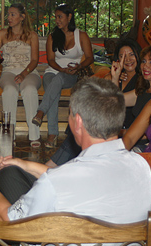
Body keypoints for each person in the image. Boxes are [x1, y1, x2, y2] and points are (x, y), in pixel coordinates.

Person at [0, 77, 151, 246]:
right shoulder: (142, 167)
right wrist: (26, 164)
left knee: (6, 176)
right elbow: (79, 180)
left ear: (78, 122)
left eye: (70, 113)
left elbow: (8, 220)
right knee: (17, 172)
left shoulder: (55, 183)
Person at [47, 43, 151, 167]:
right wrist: (115, 77)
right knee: (86, 128)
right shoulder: (143, 90)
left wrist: (115, 132)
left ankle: (54, 168)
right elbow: (116, 100)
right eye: (144, 61)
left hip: (138, 141)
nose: (145, 66)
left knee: (89, 133)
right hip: (126, 134)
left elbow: (145, 134)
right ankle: (56, 167)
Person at [31, 4, 93, 148]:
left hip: (71, 74)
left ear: (69, 17)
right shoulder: (53, 36)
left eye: (60, 17)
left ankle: (41, 114)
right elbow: (50, 60)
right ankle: (52, 134)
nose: (57, 20)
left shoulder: (81, 35)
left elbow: (90, 58)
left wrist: (79, 67)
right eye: (56, 17)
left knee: (58, 81)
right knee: (54, 86)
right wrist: (61, 69)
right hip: (52, 72)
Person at [0, 3, 41, 146]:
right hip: (8, 71)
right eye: (8, 14)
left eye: (12, 14)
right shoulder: (2, 34)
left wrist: (23, 74)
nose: (9, 18)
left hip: (29, 72)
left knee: (29, 90)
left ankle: (34, 135)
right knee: (9, 90)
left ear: (22, 17)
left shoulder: (32, 35)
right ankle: (9, 134)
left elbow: (35, 60)